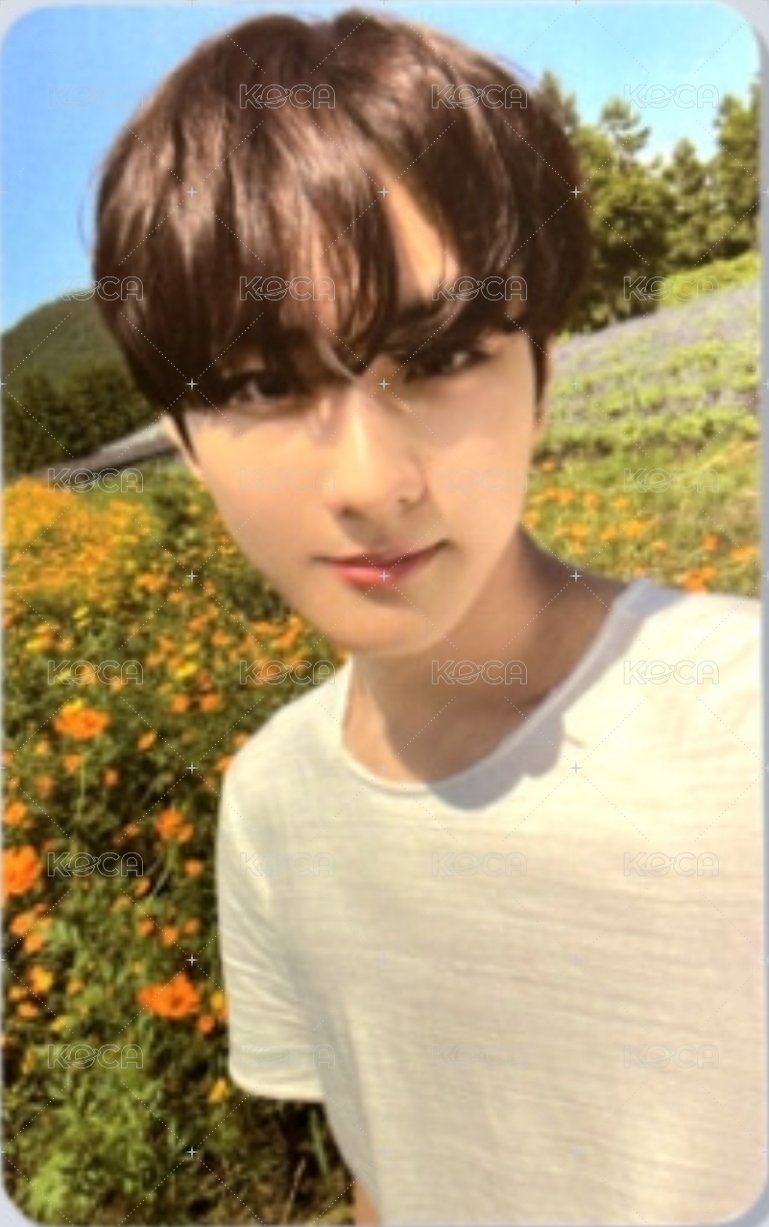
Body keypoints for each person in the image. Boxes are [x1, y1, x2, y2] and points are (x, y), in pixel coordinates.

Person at [91, 7, 764, 1223]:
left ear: (542, 374)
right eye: (261, 383)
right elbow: (385, 1170)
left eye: (443, 356)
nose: (371, 483)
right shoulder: (269, 804)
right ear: (184, 445)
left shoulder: (740, 721)